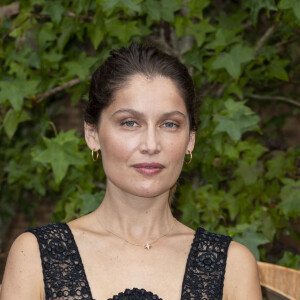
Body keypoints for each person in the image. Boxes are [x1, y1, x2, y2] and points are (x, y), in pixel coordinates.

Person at [0, 43, 262, 300]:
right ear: (92, 134)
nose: (151, 145)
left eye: (169, 124)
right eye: (130, 123)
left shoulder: (232, 266)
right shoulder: (36, 256)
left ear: (190, 139)